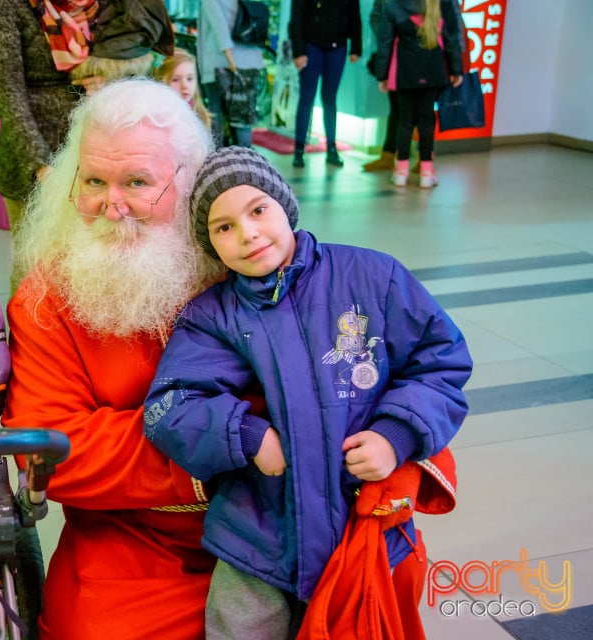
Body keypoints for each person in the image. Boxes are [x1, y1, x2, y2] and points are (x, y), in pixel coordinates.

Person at [144, 146, 472, 637]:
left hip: (362, 525)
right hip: (257, 538)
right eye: (224, 227)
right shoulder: (212, 317)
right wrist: (247, 436)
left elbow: (440, 363)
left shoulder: (372, 278)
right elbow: (168, 408)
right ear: (210, 244)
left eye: (258, 210)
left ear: (285, 205)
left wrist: (395, 435)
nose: (248, 234)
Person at [0, 78, 228, 639]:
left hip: (270, 521)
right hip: (129, 544)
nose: (111, 204)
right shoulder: (47, 299)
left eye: (137, 182)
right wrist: (223, 446)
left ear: (190, 183)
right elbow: (50, 449)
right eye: (93, 180)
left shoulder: (238, 256)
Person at [0, 0, 96, 292]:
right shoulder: (2, 7)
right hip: (35, 163)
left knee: (87, 272)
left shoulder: (94, 6)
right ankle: (26, 338)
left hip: (94, 153)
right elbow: (8, 95)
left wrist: (108, 78)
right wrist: (41, 165)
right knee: (35, 274)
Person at [373, 0, 464, 187]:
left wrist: (382, 75)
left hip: (405, 71)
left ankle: (401, 171)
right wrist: (456, 69)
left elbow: (385, 43)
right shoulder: (442, 3)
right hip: (433, 70)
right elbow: (452, 37)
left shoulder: (394, 5)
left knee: (405, 119)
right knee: (427, 120)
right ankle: (426, 173)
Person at [288, 0, 362, 168]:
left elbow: (354, 15)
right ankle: (299, 149)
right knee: (307, 97)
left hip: (338, 45)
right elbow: (296, 17)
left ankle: (331, 148)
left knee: (330, 98)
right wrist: (298, 51)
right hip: (311, 45)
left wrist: (356, 46)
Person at [197, 0, 267, 148]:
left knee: (215, 112)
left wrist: (231, 61)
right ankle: (245, 158)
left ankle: (218, 157)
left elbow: (219, 26)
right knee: (242, 115)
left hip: (221, 63)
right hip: (249, 61)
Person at [154, 48, 212, 130]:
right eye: (175, 80)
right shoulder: (157, 117)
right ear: (161, 82)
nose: (184, 85)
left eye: (189, 79)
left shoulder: (200, 114)